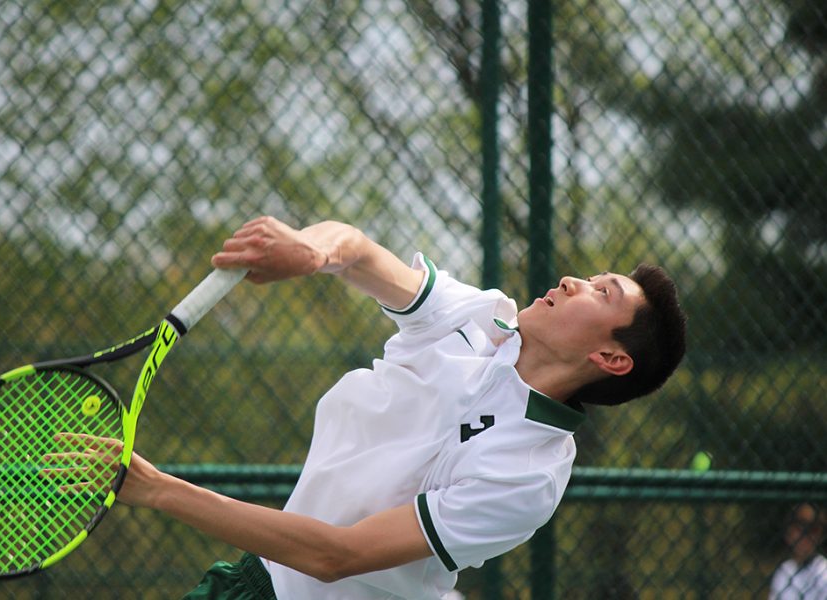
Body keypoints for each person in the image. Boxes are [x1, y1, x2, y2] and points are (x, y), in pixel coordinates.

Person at [111, 215, 687, 599]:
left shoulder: (530, 474)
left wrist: (161, 490)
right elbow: (358, 253)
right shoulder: (479, 317)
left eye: (601, 292)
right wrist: (313, 250)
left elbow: (335, 556)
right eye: (589, 278)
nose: (572, 281)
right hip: (255, 585)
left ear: (611, 357)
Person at [769, 503, 827, 599]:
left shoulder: (823, 571)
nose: (804, 537)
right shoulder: (784, 570)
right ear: (789, 534)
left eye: (812, 530)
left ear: (819, 536)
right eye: (798, 529)